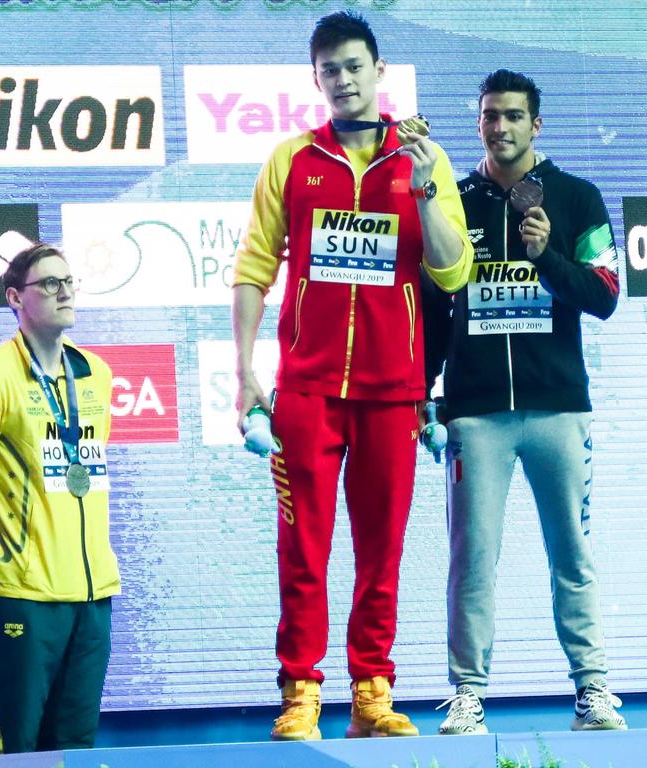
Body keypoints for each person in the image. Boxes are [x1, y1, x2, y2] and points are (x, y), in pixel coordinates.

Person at [232, 10, 473, 741]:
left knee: (382, 549)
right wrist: (245, 372)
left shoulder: (421, 157)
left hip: (393, 391)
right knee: (302, 548)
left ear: (378, 72)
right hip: (305, 391)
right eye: (329, 70)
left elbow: (453, 268)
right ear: (316, 80)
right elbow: (252, 268)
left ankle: (372, 692)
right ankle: (301, 690)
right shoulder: (291, 160)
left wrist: (429, 188)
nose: (343, 80)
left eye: (354, 66)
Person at [427, 69, 627, 735]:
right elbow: (433, 309)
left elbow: (603, 295)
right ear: (479, 122)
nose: (501, 127)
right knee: (472, 558)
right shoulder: (455, 202)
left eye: (514, 116)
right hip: (476, 415)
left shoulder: (578, 198)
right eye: (490, 116)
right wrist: (427, 395)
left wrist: (546, 258)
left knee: (572, 553)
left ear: (536, 124)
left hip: (559, 410)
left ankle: (593, 690)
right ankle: (467, 696)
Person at [0, 243, 121, 754]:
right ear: (16, 298)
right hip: (23, 595)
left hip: (92, 596)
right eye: (50, 284)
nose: (64, 293)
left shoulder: (96, 376)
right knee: (13, 747)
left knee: (75, 744)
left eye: (68, 282)